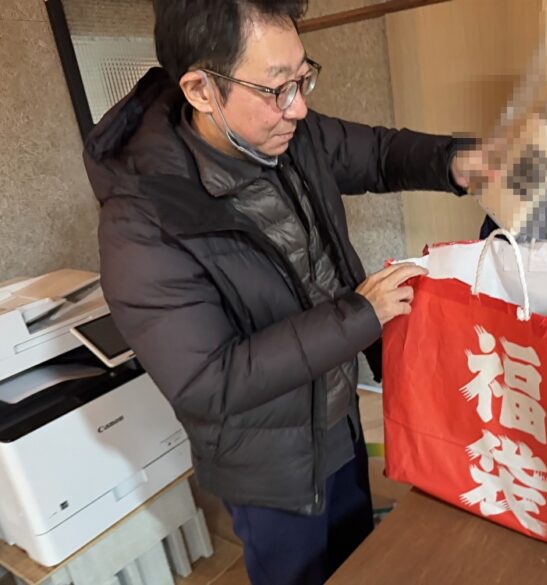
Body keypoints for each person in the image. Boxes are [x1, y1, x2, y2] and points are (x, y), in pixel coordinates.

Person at [82, 1, 482, 583]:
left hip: (339, 415)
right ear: (201, 90)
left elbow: (378, 154)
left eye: (302, 77)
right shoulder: (142, 224)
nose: (299, 106)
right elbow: (209, 381)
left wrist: (458, 161)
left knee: (358, 563)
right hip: (269, 468)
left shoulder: (288, 135)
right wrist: (359, 315)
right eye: (276, 88)